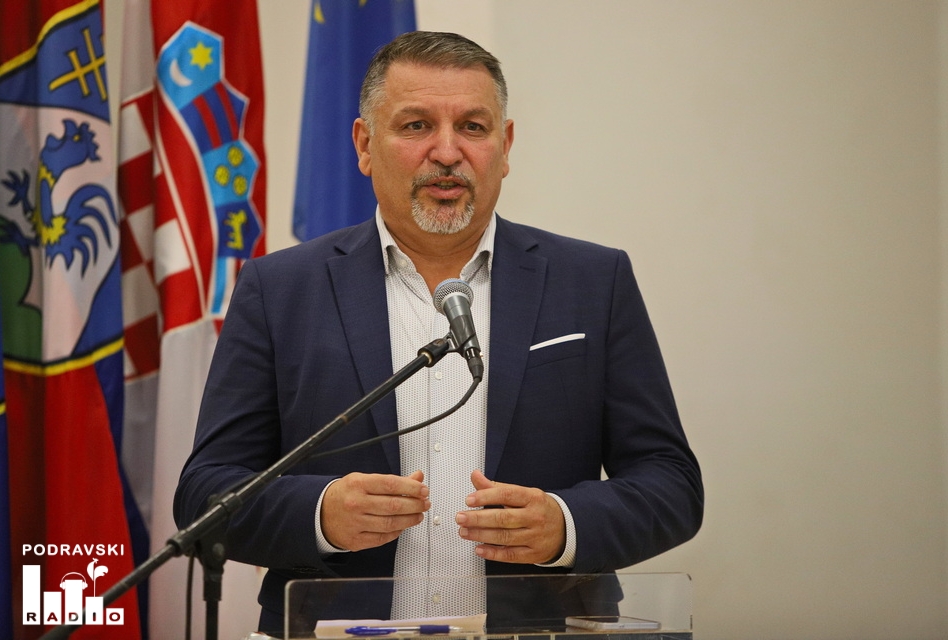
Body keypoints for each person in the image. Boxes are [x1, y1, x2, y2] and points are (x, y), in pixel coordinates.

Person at [173, 30, 703, 636]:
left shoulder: (592, 282)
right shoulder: (280, 290)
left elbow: (671, 483)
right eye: (417, 125)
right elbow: (205, 494)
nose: (447, 152)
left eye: (473, 127)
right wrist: (320, 514)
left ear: (505, 146)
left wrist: (565, 523)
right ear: (364, 144)